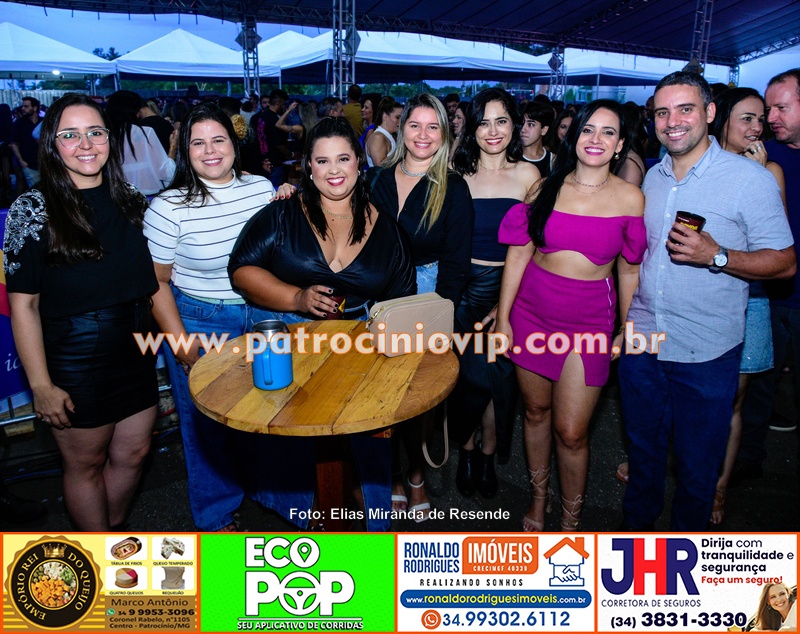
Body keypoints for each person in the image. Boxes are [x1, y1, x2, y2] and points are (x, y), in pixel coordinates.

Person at [618, 71, 795, 532]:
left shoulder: (748, 180)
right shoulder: (651, 179)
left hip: (707, 351)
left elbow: (784, 262)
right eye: (662, 112)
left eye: (685, 109)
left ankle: (684, 557)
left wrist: (717, 255)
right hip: (643, 342)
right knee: (643, 457)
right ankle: (633, 548)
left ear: (710, 113)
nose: (672, 121)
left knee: (697, 472)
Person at [227, 116, 416, 530]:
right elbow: (241, 269)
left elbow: (402, 299)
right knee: (294, 438)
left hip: (359, 345)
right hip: (287, 342)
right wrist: (296, 297)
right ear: (308, 167)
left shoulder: (387, 229)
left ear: (360, 163)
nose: (334, 170)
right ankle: (308, 517)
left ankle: (373, 523)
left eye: (343, 159)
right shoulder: (281, 214)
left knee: (366, 434)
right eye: (323, 160)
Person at [3, 93, 159, 531]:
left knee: (135, 452)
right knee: (85, 464)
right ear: (52, 145)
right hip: (76, 356)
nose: (85, 144)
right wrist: (41, 386)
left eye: (95, 132)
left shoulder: (131, 199)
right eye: (70, 135)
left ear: (110, 138)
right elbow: (24, 305)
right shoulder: (31, 209)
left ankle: (106, 537)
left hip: (137, 348)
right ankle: (100, 550)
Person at [495, 99, 645, 531]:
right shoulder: (544, 188)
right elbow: (518, 256)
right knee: (535, 412)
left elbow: (628, 270)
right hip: (530, 315)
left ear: (620, 144)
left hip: (590, 324)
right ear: (573, 136)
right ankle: (539, 499)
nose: (596, 139)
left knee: (572, 431)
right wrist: (503, 319)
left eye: (608, 132)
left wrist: (627, 329)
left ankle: (570, 521)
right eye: (588, 129)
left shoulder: (630, 197)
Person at [144, 103, 293, 532]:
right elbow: (156, 283)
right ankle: (215, 516)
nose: (210, 151)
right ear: (184, 151)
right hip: (202, 321)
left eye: (218, 140)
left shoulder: (260, 188)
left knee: (272, 411)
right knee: (207, 427)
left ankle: (276, 497)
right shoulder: (167, 207)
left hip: (264, 316)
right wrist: (180, 344)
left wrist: (289, 198)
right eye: (198, 143)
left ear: (234, 142)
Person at [369, 93, 473, 520]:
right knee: (378, 395)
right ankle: (391, 474)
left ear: (444, 133)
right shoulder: (377, 178)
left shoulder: (453, 187)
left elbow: (456, 263)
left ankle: (415, 475)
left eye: (433, 126)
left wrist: (440, 319)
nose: (423, 134)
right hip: (377, 293)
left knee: (417, 397)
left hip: (426, 293)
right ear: (402, 128)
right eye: (415, 125)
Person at [449, 88, 540, 498]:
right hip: (460, 291)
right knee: (461, 379)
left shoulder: (529, 176)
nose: (492, 131)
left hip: (507, 291)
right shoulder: (455, 170)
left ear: (515, 125)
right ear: (471, 127)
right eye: (483, 122)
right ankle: (466, 452)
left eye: (501, 120)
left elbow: (535, 248)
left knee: (496, 383)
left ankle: (487, 456)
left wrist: (508, 304)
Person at [732, 69, 800, 490]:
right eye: (766, 109)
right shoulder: (762, 156)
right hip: (771, 291)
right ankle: (746, 460)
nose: (769, 118)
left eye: (780, 108)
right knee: (758, 386)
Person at [106, 90, 176, 196]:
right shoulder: (146, 133)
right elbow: (167, 173)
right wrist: (173, 146)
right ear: (135, 111)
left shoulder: (106, 136)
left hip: (118, 196)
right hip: (150, 196)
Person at [252, 89, 291, 188]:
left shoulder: (262, 116)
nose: (284, 107)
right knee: (275, 190)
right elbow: (278, 144)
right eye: (283, 104)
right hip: (274, 161)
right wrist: (291, 154)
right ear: (278, 104)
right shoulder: (274, 119)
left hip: (264, 159)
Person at [10, 96, 41, 191]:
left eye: (26, 106)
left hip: (44, 163)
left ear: (34, 108)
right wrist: (21, 161)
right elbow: (14, 143)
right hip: (29, 164)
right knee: (36, 190)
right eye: (22, 106)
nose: (23, 108)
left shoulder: (43, 122)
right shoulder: (19, 123)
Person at [520, 101, 555, 178]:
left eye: (530, 124)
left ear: (544, 130)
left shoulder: (553, 161)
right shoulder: (510, 157)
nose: (523, 129)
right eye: (522, 123)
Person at [365, 97, 402, 168]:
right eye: (397, 118)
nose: (400, 122)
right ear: (385, 117)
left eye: (401, 118)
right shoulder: (378, 137)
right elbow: (379, 167)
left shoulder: (388, 135)